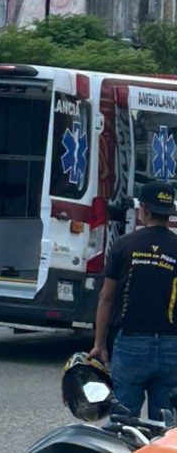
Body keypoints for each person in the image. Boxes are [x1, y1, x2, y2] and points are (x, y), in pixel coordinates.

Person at [89, 180, 177, 420]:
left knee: (122, 422)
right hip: (172, 345)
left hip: (131, 345)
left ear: (143, 210)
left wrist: (99, 344)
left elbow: (106, 298)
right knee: (166, 427)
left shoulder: (123, 245)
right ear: (170, 214)